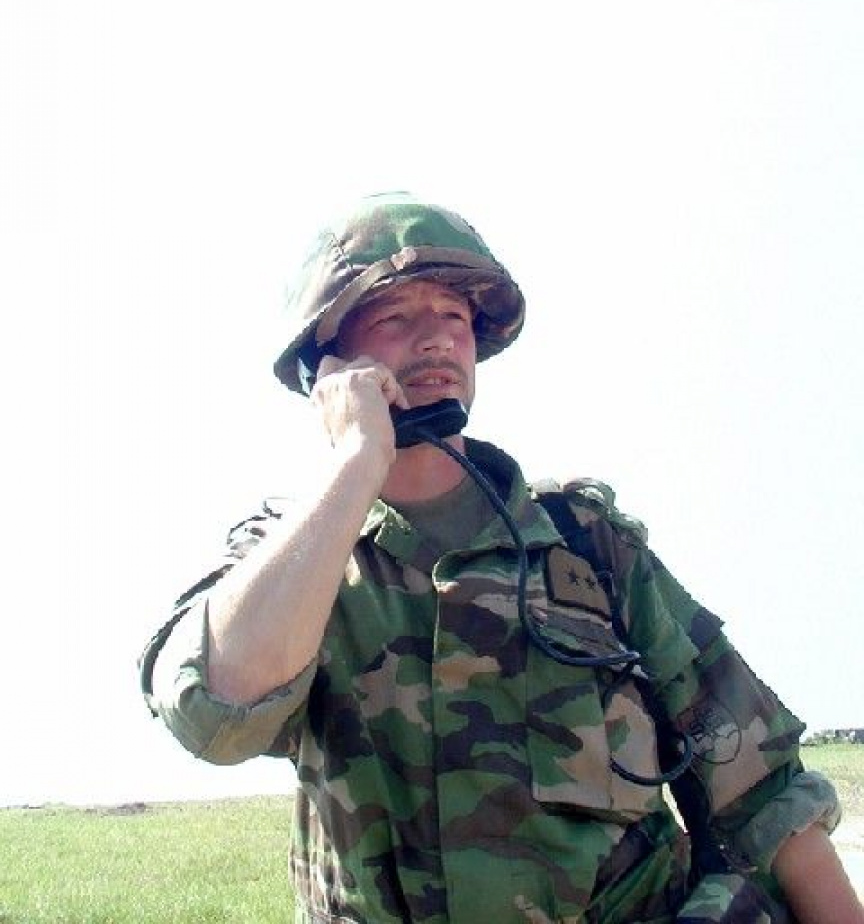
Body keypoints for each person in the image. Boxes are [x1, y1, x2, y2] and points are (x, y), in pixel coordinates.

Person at [140, 191, 862, 924]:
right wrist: (356, 459)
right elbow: (213, 714)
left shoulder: (586, 544)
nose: (436, 339)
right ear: (325, 362)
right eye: (394, 317)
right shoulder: (290, 558)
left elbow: (763, 790)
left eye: (454, 317)